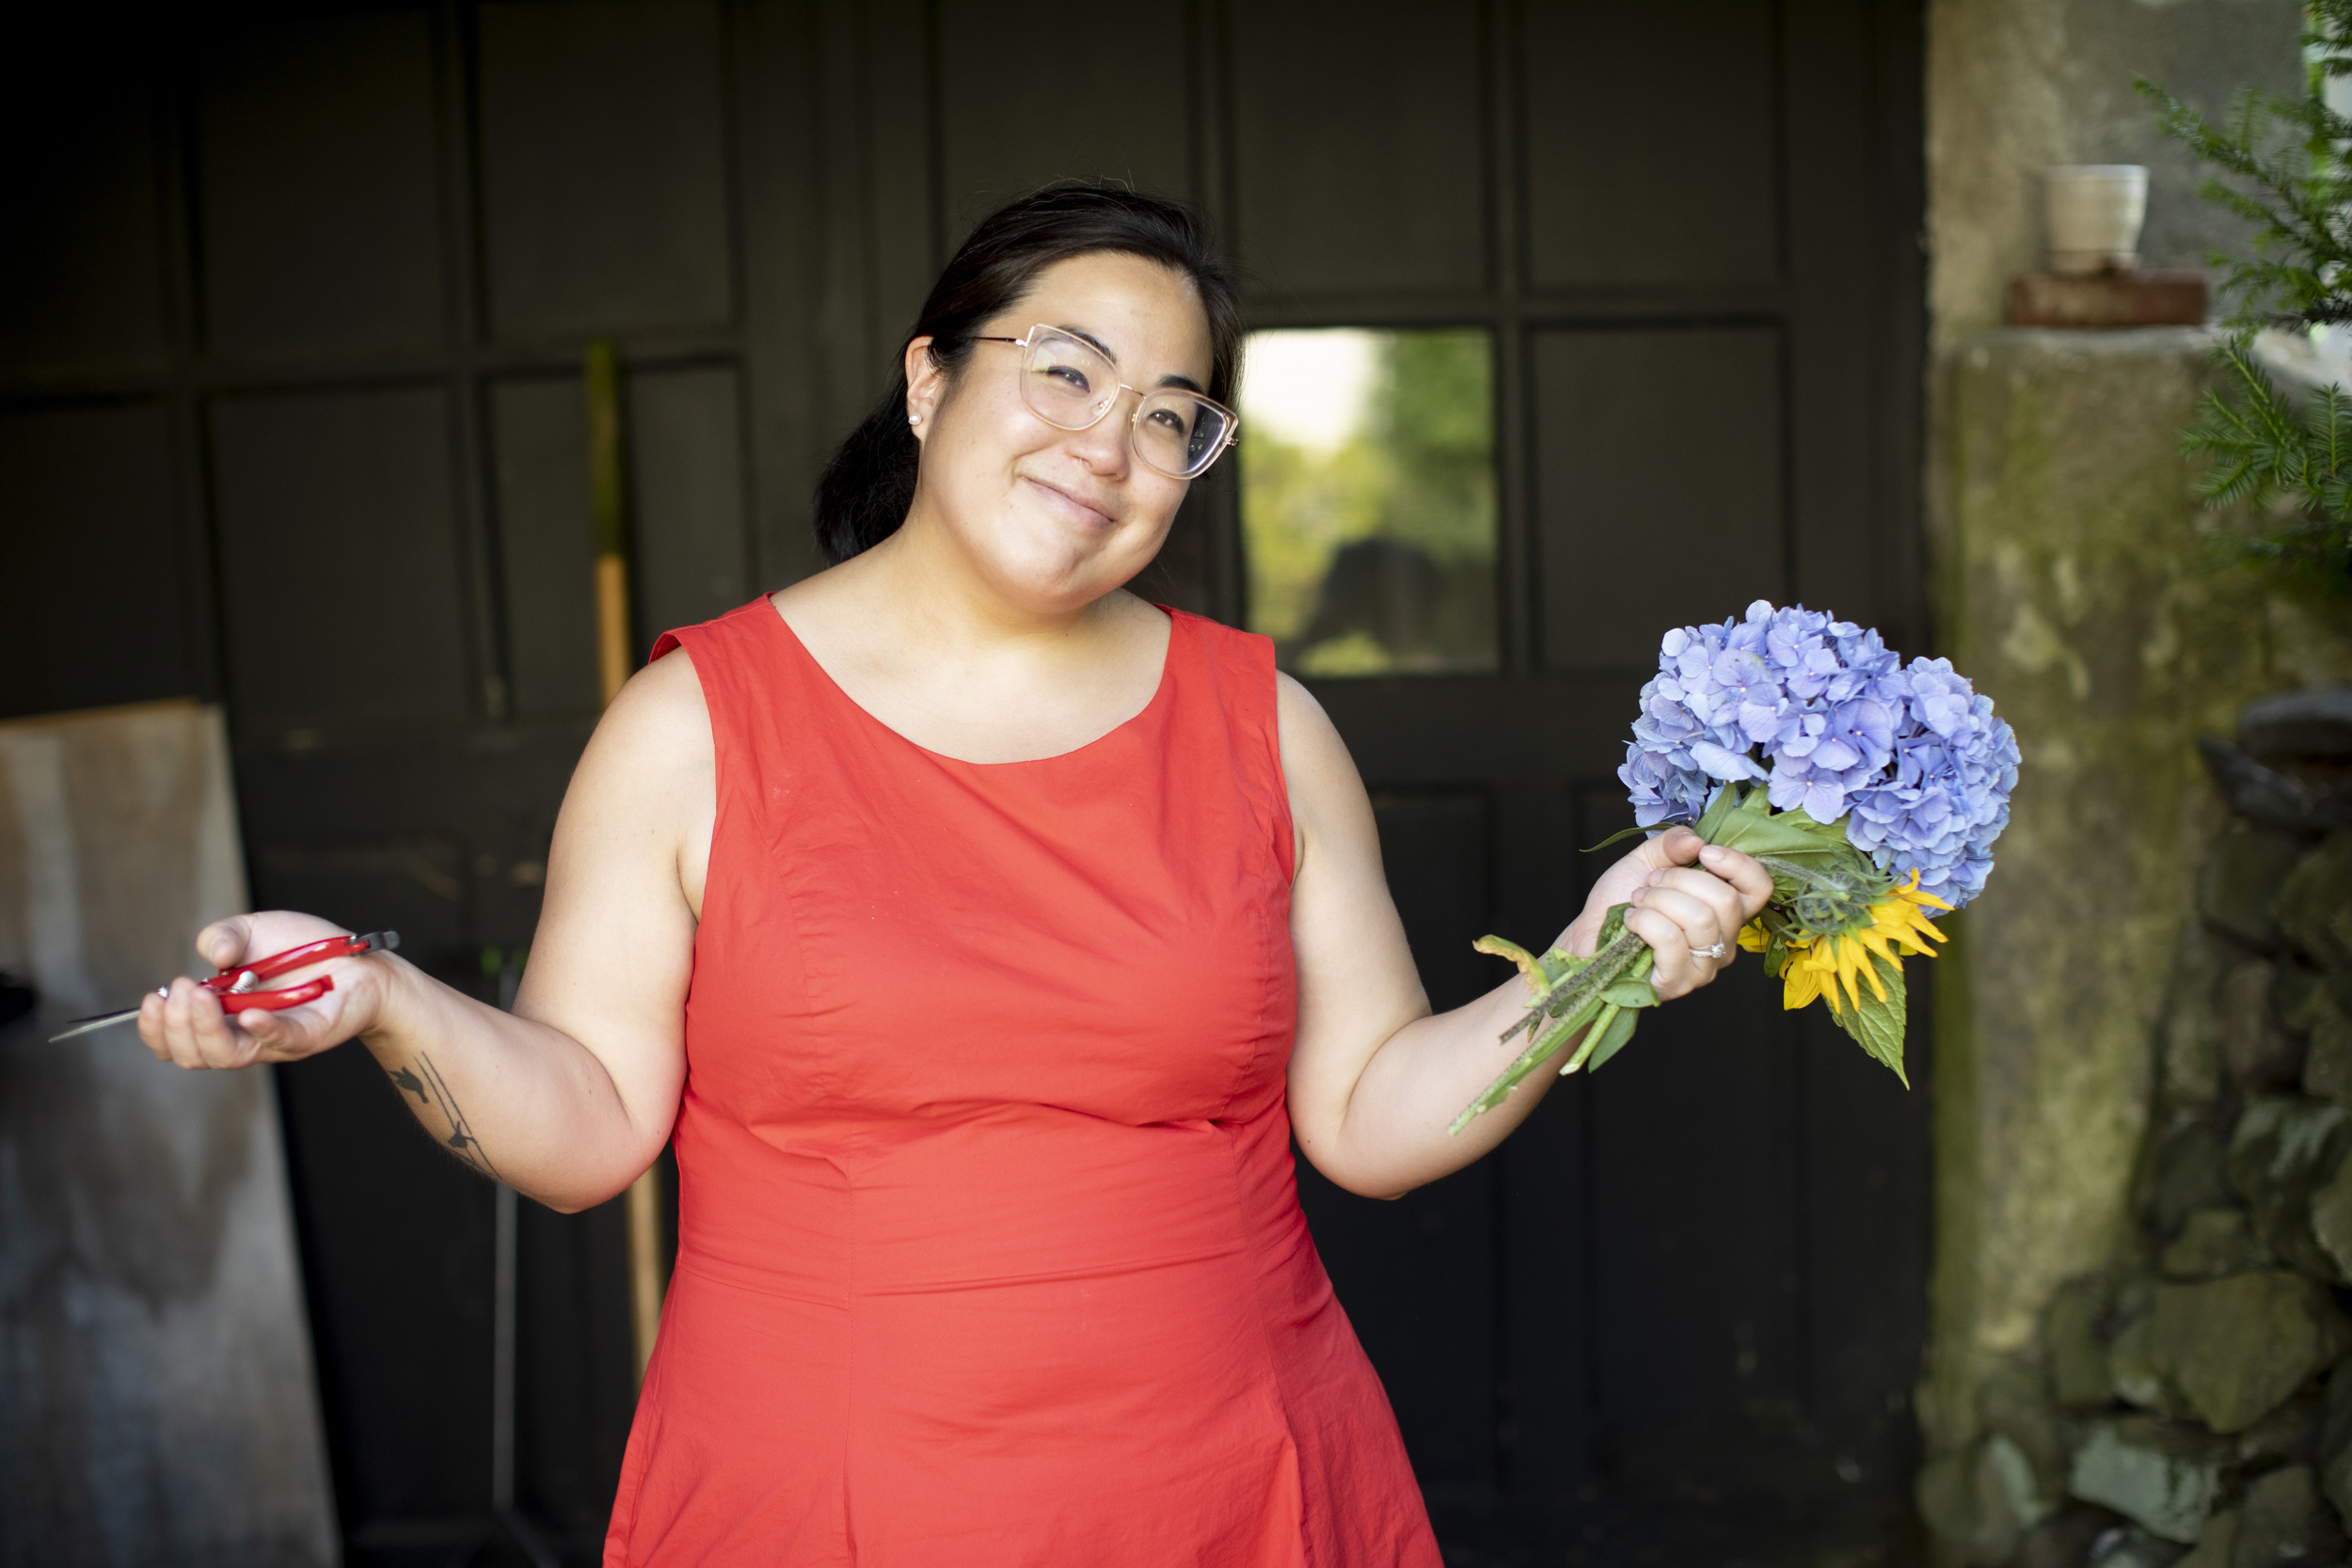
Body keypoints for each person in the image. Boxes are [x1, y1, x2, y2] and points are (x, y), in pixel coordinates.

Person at [137, 183, 1772, 1566]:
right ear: (928, 381)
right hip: (821, 1498)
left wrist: (1587, 962)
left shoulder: (1264, 725)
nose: (1106, 444)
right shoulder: (695, 722)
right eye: (1062, 371)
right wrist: (381, 999)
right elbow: (583, 1135)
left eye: (1167, 418)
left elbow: (1371, 1121)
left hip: (1239, 1486)